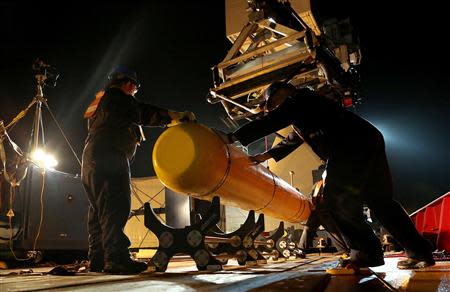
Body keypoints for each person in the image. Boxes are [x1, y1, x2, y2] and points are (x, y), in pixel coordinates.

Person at [220, 81, 435, 269]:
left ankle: (366, 252)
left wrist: (233, 137)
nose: (277, 107)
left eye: (275, 103)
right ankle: (420, 252)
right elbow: (292, 139)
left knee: (336, 200)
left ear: (284, 92)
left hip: (350, 146)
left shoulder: (299, 97)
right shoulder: (305, 110)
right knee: (382, 202)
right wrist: (263, 156)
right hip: (367, 139)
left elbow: (273, 120)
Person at [81, 66, 195, 274]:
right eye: (134, 89)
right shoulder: (117, 98)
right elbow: (143, 112)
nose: (134, 92)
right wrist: (174, 116)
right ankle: (116, 259)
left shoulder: (102, 102)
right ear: (129, 84)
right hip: (110, 156)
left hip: (90, 160)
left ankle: (97, 259)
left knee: (99, 211)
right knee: (116, 206)